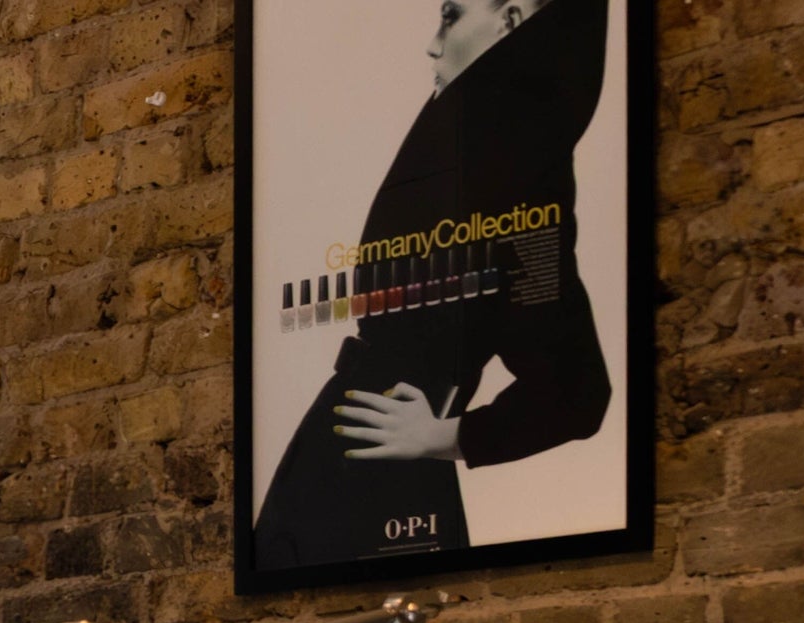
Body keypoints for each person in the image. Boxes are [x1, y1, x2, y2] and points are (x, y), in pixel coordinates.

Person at [250, 0, 614, 577]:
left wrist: (445, 435)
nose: (432, 44)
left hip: (378, 476)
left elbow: (576, 390)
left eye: (450, 15)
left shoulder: (518, 171)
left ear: (511, 22)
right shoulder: (479, 146)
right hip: (359, 458)